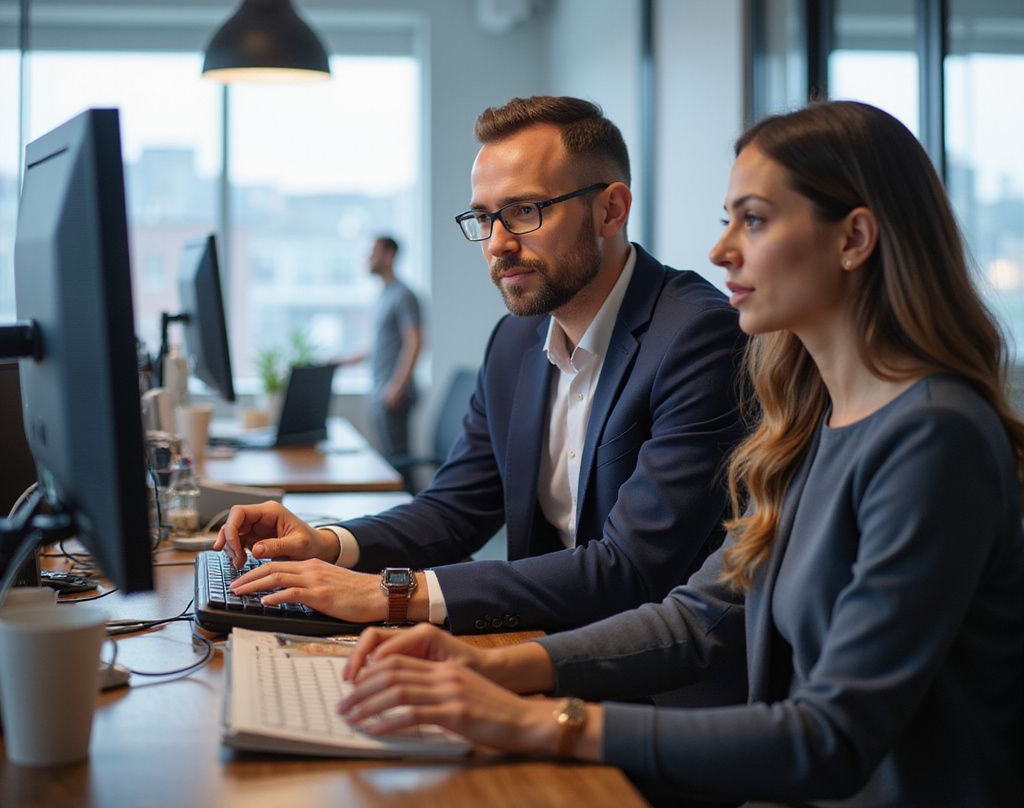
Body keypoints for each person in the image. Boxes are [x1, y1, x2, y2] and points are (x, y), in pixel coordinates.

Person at [336, 101, 1024, 807]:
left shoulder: (935, 438)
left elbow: (829, 739)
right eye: (728, 220)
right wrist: (498, 668)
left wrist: (543, 722)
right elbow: (697, 618)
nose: (721, 250)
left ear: (853, 239)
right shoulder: (810, 421)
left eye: (752, 220)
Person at [216, 96, 746, 646]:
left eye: (524, 211)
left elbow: (630, 569)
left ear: (611, 210)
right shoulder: (515, 340)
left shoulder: (697, 338)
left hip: (649, 677)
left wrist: (393, 592)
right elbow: (454, 512)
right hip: (533, 642)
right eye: (483, 217)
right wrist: (327, 544)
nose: (497, 243)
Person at [335, 236, 424, 466]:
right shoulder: (384, 295)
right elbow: (376, 348)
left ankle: (411, 500)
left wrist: (396, 387)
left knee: (397, 463)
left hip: (393, 394)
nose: (368, 258)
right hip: (381, 391)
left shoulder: (403, 295)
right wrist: (338, 362)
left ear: (389, 256)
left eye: (373, 253)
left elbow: (414, 341)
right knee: (387, 460)